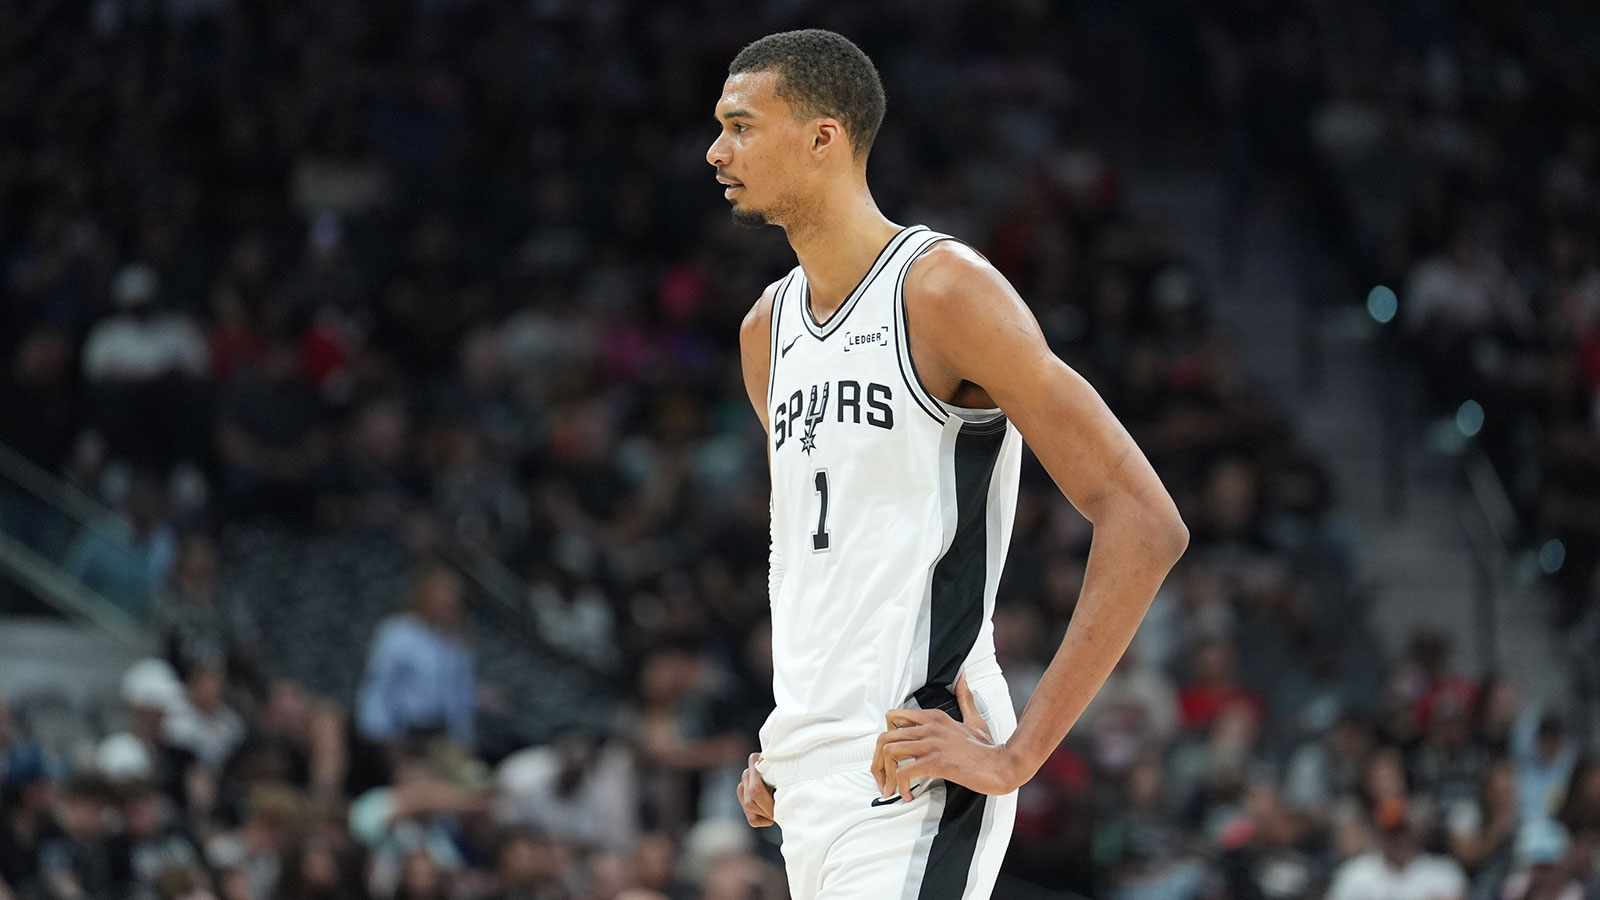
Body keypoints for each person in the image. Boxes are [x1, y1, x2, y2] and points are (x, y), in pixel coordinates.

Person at [711, 29, 1188, 899]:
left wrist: (1016, 755)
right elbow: (817, 563)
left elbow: (1144, 518)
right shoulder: (763, 334)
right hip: (809, 785)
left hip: (920, 762)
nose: (716, 150)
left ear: (825, 137)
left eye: (741, 125)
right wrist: (795, 744)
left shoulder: (940, 290)